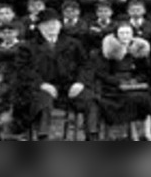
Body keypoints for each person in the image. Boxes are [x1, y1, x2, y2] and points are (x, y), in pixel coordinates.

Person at [12, 8, 99, 140]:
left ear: (60, 25)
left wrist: (80, 83)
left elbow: (86, 65)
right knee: (43, 102)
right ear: (39, 28)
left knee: (91, 100)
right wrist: (41, 84)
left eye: (55, 24)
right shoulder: (28, 47)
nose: (51, 27)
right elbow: (23, 70)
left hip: (69, 87)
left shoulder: (73, 43)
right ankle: (43, 137)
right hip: (41, 88)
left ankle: (92, 137)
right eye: (47, 25)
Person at [96, 23, 151, 140]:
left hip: (135, 84)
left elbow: (145, 72)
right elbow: (102, 73)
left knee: (148, 98)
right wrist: (119, 82)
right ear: (116, 35)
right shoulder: (108, 50)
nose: (125, 36)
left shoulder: (139, 49)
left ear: (133, 35)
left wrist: (136, 80)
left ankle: (147, 132)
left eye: (128, 33)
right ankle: (132, 134)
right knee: (132, 99)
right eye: (122, 33)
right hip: (114, 87)